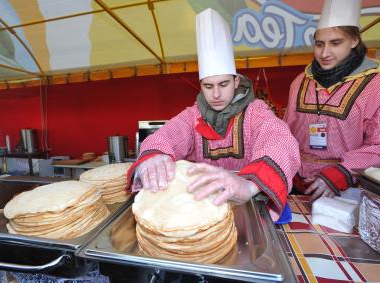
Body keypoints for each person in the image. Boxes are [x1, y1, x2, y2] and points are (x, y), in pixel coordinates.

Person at [127, 8, 300, 220]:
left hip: (247, 207)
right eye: (208, 86)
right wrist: (153, 154)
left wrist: (250, 184)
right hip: (202, 212)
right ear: (200, 85)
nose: (216, 94)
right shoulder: (192, 116)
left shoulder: (255, 112)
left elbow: (279, 140)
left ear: (236, 82)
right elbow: (168, 134)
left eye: (223, 84)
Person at [284, 0, 380, 201]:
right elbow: (285, 133)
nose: (324, 53)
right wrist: (289, 168)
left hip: (348, 190)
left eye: (335, 43)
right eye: (319, 44)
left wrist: (342, 172)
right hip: (297, 184)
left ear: (354, 41)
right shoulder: (300, 81)